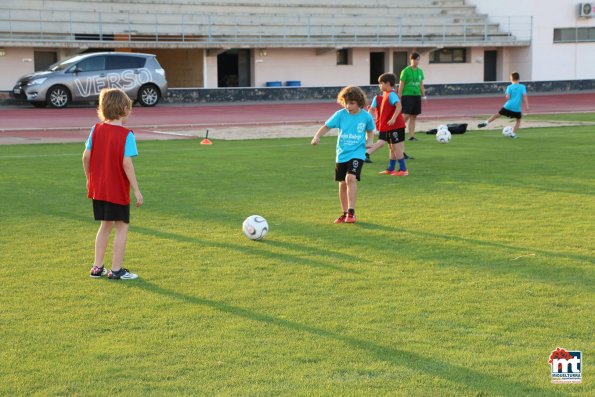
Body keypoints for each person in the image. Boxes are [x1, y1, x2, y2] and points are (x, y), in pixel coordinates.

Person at [83, 88, 143, 280]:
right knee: (122, 226)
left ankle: (97, 267)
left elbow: (86, 156)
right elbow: (127, 163)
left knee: (105, 225)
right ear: (124, 109)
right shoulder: (127, 135)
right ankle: (116, 270)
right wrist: (137, 190)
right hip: (117, 190)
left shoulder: (96, 129)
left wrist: (89, 179)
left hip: (99, 189)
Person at [311, 85, 375, 224]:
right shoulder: (340, 114)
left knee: (350, 178)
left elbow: (370, 130)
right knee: (342, 183)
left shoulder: (365, 116)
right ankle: (344, 212)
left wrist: (369, 141)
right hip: (342, 154)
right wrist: (317, 136)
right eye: (346, 102)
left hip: (357, 152)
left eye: (351, 103)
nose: (348, 106)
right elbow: (326, 126)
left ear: (359, 102)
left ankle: (352, 212)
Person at [366, 73, 408, 176]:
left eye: (381, 83)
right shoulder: (384, 95)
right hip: (389, 126)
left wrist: (393, 118)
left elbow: (399, 106)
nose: (380, 86)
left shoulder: (392, 94)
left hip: (396, 126)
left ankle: (403, 170)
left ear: (388, 83)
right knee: (391, 147)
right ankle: (391, 168)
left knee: (396, 147)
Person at [398, 52, 426, 141]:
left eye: (418, 59)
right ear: (411, 60)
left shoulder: (420, 71)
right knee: (405, 115)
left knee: (414, 116)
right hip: (407, 95)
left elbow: (421, 84)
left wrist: (423, 95)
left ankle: (411, 136)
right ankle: (397, 132)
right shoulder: (405, 71)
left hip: (416, 95)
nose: (416, 61)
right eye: (415, 59)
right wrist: (399, 94)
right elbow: (401, 84)